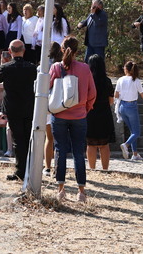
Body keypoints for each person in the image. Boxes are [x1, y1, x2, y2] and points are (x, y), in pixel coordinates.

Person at [49, 36, 95, 202]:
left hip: (59, 115)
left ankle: (61, 189)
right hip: (80, 115)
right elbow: (92, 93)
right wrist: (85, 108)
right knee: (78, 152)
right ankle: (81, 191)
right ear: (77, 50)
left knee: (60, 150)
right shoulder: (85, 68)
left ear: (62, 49)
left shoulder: (55, 67)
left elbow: (47, 88)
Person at [0, 39, 37, 181]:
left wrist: (2, 63)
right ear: (24, 50)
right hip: (28, 107)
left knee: (18, 140)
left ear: (10, 51)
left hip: (13, 108)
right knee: (27, 138)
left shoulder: (6, 67)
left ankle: (20, 170)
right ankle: (30, 169)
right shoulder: (31, 67)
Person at [115, 60, 143, 161]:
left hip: (122, 107)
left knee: (133, 131)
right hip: (131, 106)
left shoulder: (120, 80)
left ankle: (135, 154)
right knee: (137, 132)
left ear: (126, 69)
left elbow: (116, 94)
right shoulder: (136, 81)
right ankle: (126, 145)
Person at [85, 54, 115, 171]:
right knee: (104, 144)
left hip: (90, 113)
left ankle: (92, 169)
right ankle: (105, 169)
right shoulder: (107, 81)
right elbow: (111, 100)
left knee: (90, 143)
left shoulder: (88, 80)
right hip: (104, 114)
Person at [43, 41, 62, 176]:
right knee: (60, 139)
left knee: (48, 138)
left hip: (48, 103)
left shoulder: (43, 66)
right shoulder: (63, 66)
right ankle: (58, 168)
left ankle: (47, 167)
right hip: (61, 103)